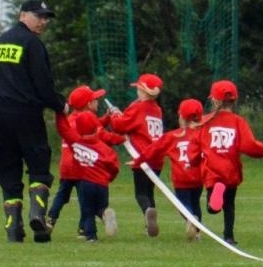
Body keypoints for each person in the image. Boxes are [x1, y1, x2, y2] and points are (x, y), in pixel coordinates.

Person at [0, 0, 65, 243]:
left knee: (7, 167)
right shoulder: (32, 43)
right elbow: (43, 84)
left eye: (46, 17)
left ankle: (13, 227)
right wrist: (61, 104)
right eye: (39, 16)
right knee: (38, 162)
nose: (43, 22)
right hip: (26, 113)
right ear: (22, 15)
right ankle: (37, 214)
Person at [199, 79, 263, 245]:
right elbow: (249, 145)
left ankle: (213, 203)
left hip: (212, 171)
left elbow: (194, 142)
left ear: (214, 100)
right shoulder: (238, 122)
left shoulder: (204, 121)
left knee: (213, 205)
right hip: (230, 171)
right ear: (234, 100)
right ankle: (229, 236)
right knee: (229, 205)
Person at [133, 98, 207, 241]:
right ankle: (197, 232)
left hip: (181, 178)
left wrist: (138, 160)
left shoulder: (172, 136)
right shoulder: (203, 135)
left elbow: (153, 150)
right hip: (198, 177)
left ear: (181, 117)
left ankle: (190, 219)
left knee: (183, 204)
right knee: (195, 201)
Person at [106, 73, 166, 237]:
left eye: (139, 89)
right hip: (157, 158)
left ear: (144, 90)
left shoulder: (138, 107)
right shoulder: (157, 110)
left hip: (142, 156)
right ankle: (149, 223)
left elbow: (120, 125)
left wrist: (114, 114)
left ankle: (147, 211)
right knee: (149, 191)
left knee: (140, 193)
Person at [49, 84, 108, 236]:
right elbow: (96, 130)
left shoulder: (69, 120)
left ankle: (50, 219)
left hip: (66, 166)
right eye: (95, 99)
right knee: (85, 199)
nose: (97, 102)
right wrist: (110, 118)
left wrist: (106, 118)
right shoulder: (87, 119)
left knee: (62, 195)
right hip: (81, 167)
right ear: (88, 104)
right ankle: (84, 228)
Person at [61, 110, 122, 242]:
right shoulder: (104, 148)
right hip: (102, 184)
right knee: (100, 207)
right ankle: (105, 214)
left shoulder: (75, 143)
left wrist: (60, 114)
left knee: (87, 210)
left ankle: (91, 236)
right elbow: (114, 165)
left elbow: (63, 130)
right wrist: (109, 178)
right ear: (96, 127)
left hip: (85, 183)